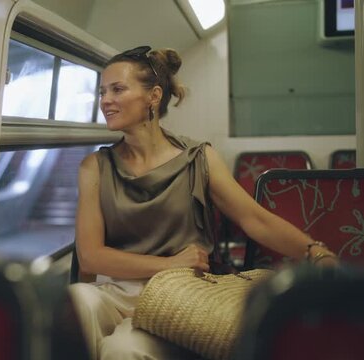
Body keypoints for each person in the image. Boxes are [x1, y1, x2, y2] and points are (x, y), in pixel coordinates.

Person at [69, 45, 338, 360]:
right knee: (76, 299)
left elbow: (255, 220)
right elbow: (90, 258)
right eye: (102, 92)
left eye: (117, 89)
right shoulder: (94, 166)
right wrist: (168, 263)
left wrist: (315, 252)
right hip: (117, 293)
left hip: (180, 297)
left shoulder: (199, 158)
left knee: (121, 350)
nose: (105, 101)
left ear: (153, 96)